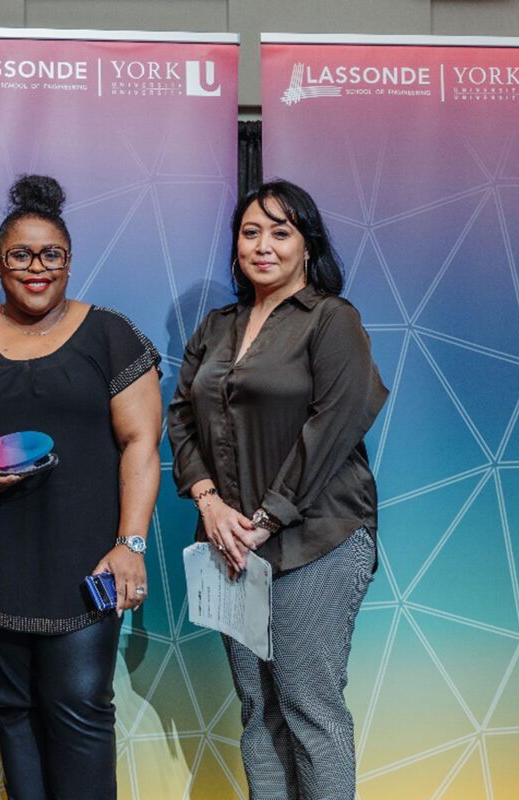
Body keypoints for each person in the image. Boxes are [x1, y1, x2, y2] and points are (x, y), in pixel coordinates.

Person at [0, 174, 162, 799]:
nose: (36, 268)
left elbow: (141, 445)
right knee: (14, 709)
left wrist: (130, 545)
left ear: (69, 261)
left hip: (88, 559)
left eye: (51, 254)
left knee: (80, 705)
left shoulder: (111, 335)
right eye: (20, 255)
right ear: (0, 263)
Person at [167, 179, 388, 799]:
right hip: (232, 546)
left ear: (306, 244)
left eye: (280, 232)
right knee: (257, 712)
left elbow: (336, 424)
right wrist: (210, 504)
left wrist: (266, 517)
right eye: (250, 232)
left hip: (319, 539)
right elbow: (181, 415)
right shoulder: (217, 325)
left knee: (308, 707)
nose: (263, 245)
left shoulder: (330, 319)